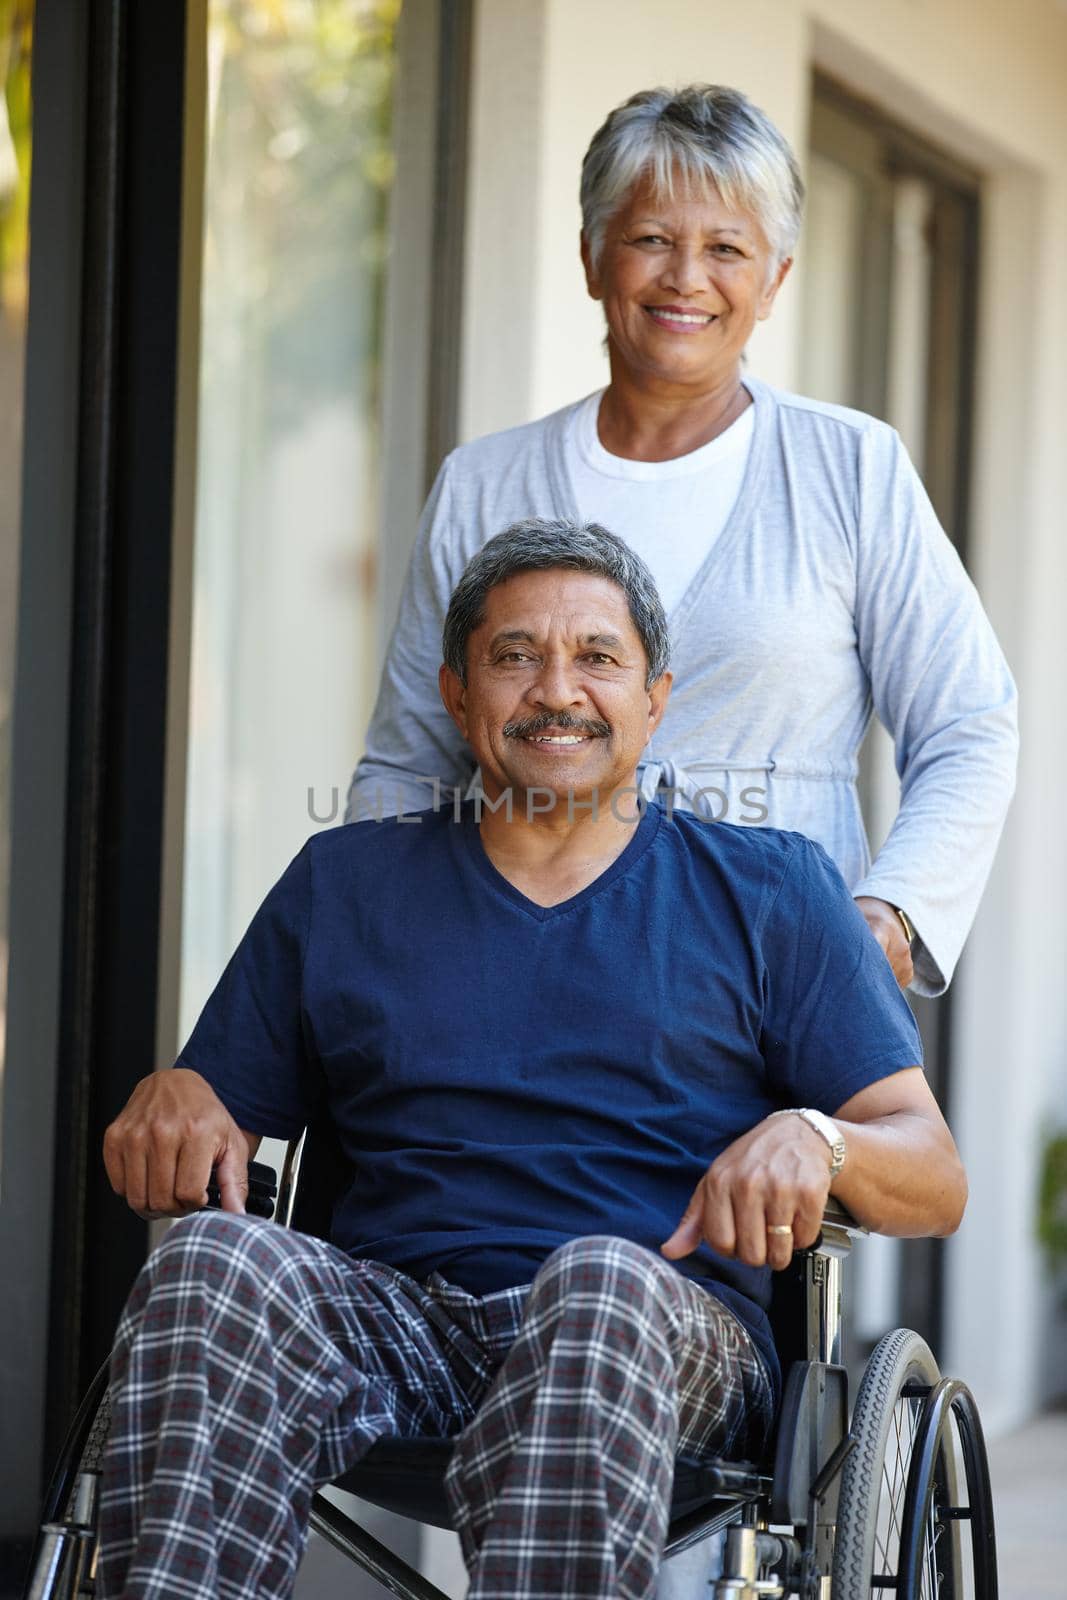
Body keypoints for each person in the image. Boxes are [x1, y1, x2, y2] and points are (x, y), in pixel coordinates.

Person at [100, 522, 966, 1600]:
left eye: (596, 657)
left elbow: (931, 1174)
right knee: (209, 1263)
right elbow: (195, 1125)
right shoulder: (343, 883)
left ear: (655, 697)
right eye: (515, 657)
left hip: (656, 1328)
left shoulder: (771, 892)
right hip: (394, 1324)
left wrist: (819, 1136)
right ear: (460, 696)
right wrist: (173, 1092)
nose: (556, 690)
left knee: (596, 1281)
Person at [346, 84, 1017, 999]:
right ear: (591, 257)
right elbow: (408, 763)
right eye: (651, 239)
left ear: (775, 279)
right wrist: (375, 960)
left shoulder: (850, 467)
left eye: (727, 249)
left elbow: (967, 725)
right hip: (520, 984)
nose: (685, 279)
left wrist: (892, 914)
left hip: (780, 993)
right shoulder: (484, 483)